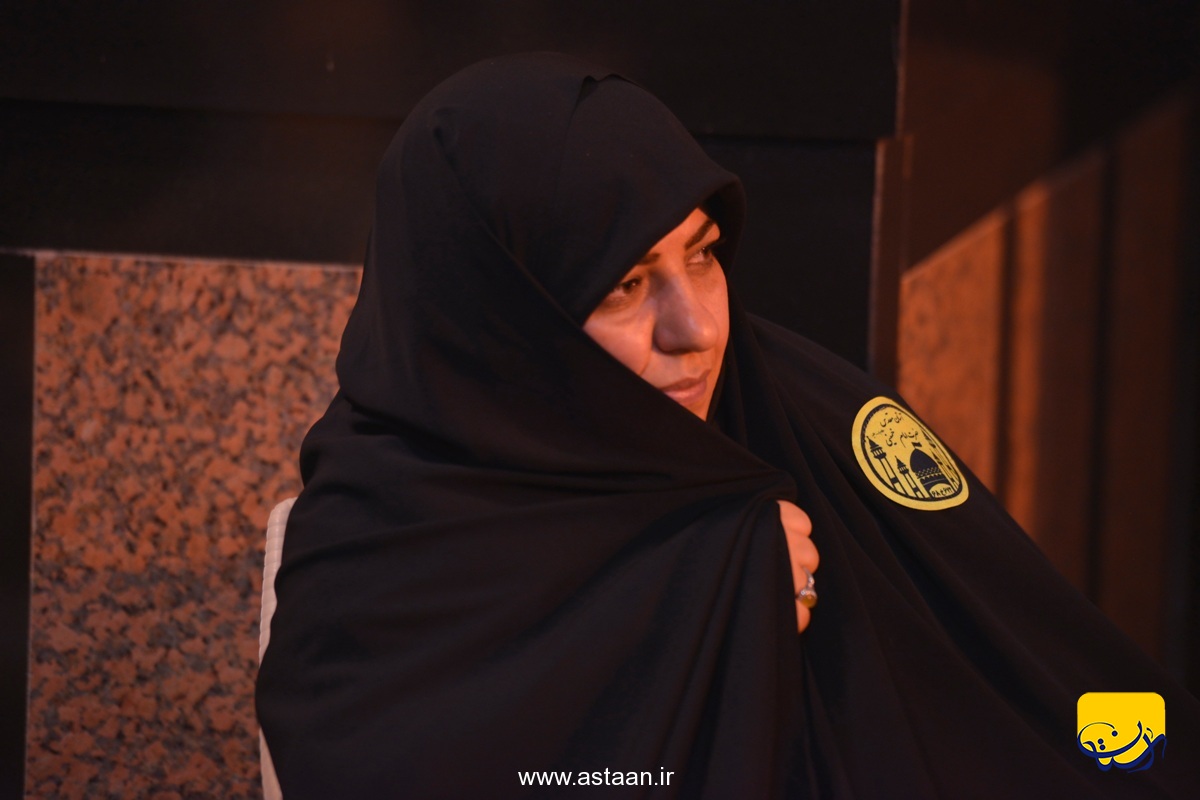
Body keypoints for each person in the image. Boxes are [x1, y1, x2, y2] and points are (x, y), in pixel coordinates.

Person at [256, 53, 1199, 797]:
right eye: (625, 285)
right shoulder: (380, 555)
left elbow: (1034, 679)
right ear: (503, 326)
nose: (697, 330)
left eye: (702, 256)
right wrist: (708, 592)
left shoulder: (796, 412)